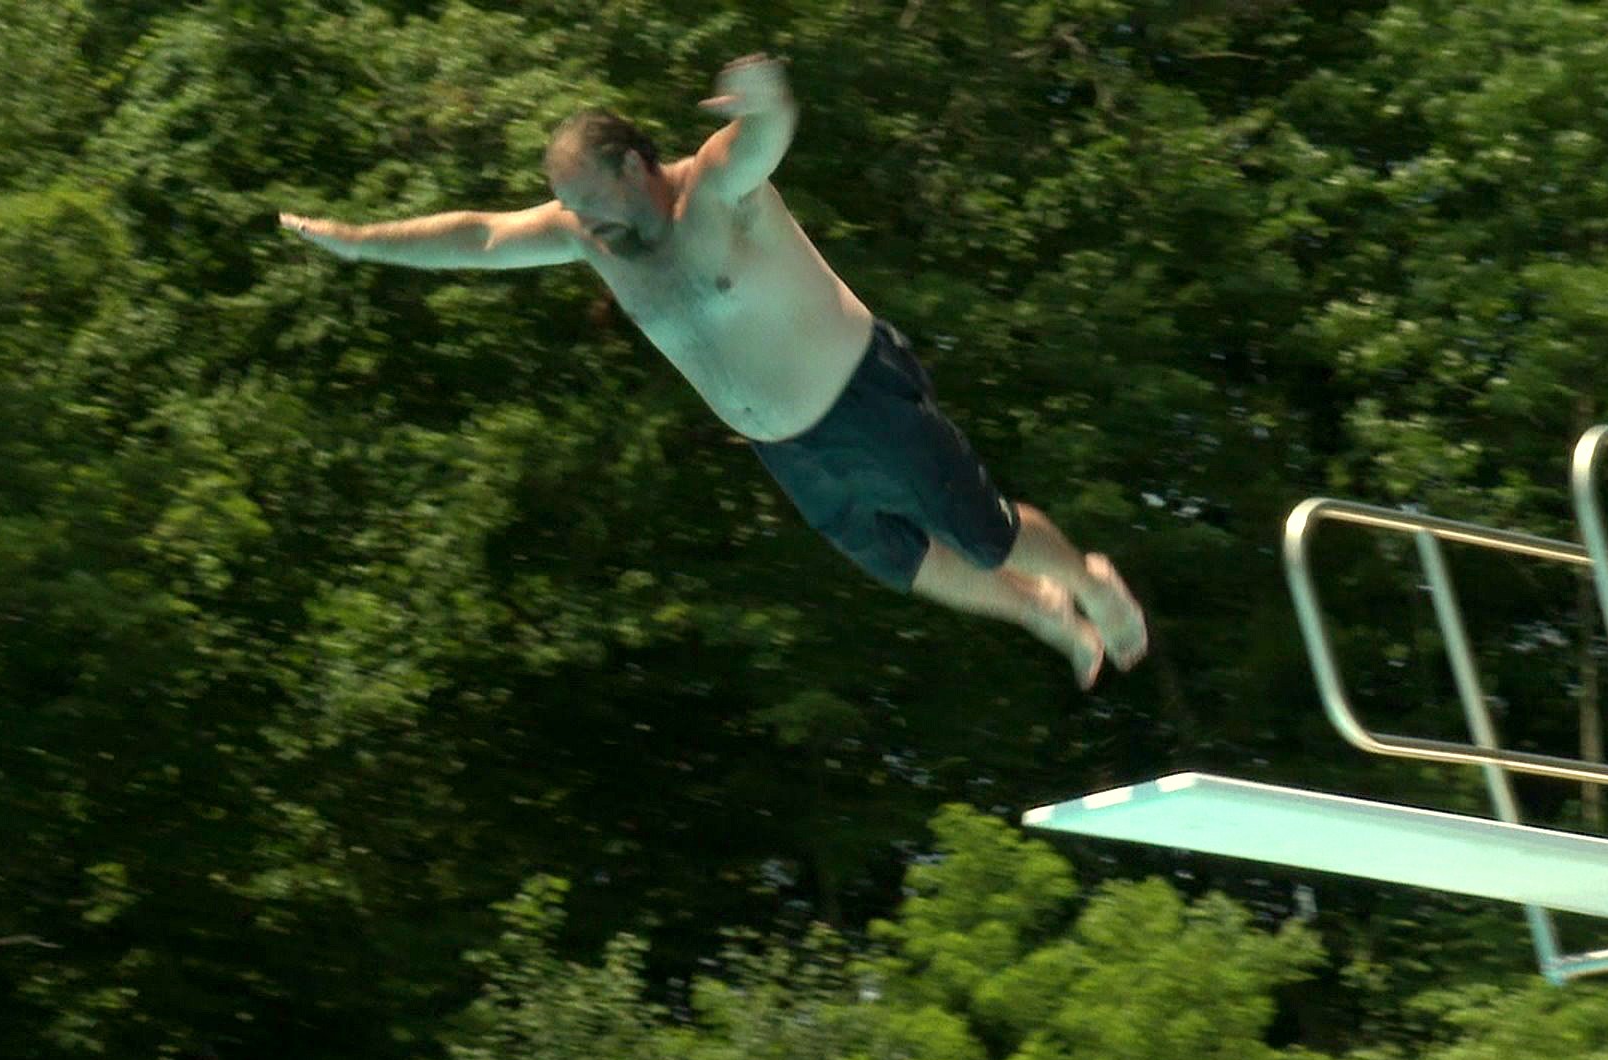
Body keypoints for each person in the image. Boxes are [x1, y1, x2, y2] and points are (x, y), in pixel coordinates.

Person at [280, 53, 1147, 688]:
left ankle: (1088, 584)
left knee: (981, 533)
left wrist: (768, 98)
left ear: (635, 167)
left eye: (590, 202)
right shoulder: (593, 236)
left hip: (860, 395)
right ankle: (1038, 609)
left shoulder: (717, 192)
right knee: (905, 564)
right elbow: (476, 236)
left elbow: (764, 136)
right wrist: (359, 245)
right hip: (784, 446)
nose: (580, 224)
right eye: (570, 209)